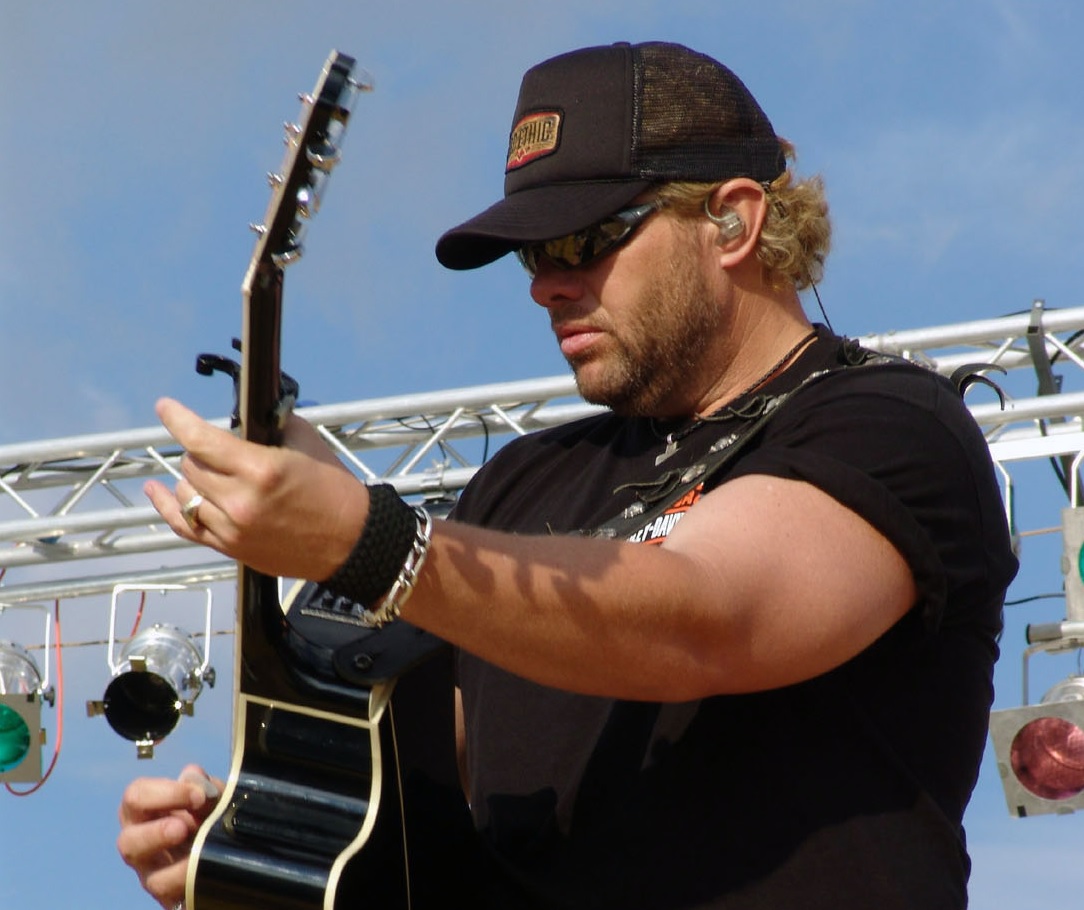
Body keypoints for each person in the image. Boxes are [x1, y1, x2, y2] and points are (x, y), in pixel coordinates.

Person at [117, 40, 1018, 909]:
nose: (546, 285)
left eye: (585, 240)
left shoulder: (886, 422)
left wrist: (372, 542)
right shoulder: (520, 485)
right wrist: (254, 845)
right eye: (532, 254)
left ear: (733, 220)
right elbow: (411, 840)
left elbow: (709, 618)